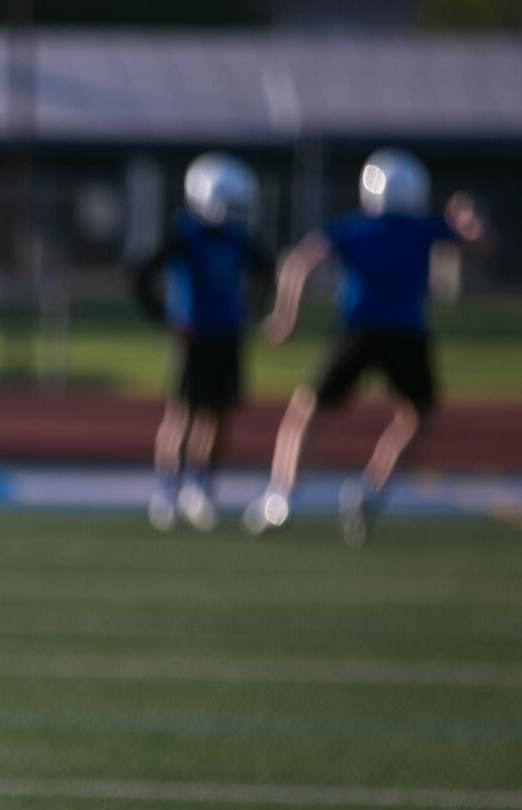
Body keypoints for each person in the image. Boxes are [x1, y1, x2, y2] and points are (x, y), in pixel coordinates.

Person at [246, 149, 484, 545]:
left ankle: (281, 496)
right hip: (407, 336)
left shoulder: (354, 228)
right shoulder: (425, 227)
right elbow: (477, 244)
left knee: (306, 413)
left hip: (357, 334)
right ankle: (368, 492)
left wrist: (286, 318)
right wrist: (469, 221)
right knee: (418, 417)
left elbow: (300, 262)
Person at [133, 153, 273, 532]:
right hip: (193, 336)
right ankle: (166, 489)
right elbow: (143, 273)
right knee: (182, 412)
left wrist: (251, 307)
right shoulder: (185, 234)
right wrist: (165, 317)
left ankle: (200, 488)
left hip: (226, 335)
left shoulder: (239, 237)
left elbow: (266, 268)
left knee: (219, 414)